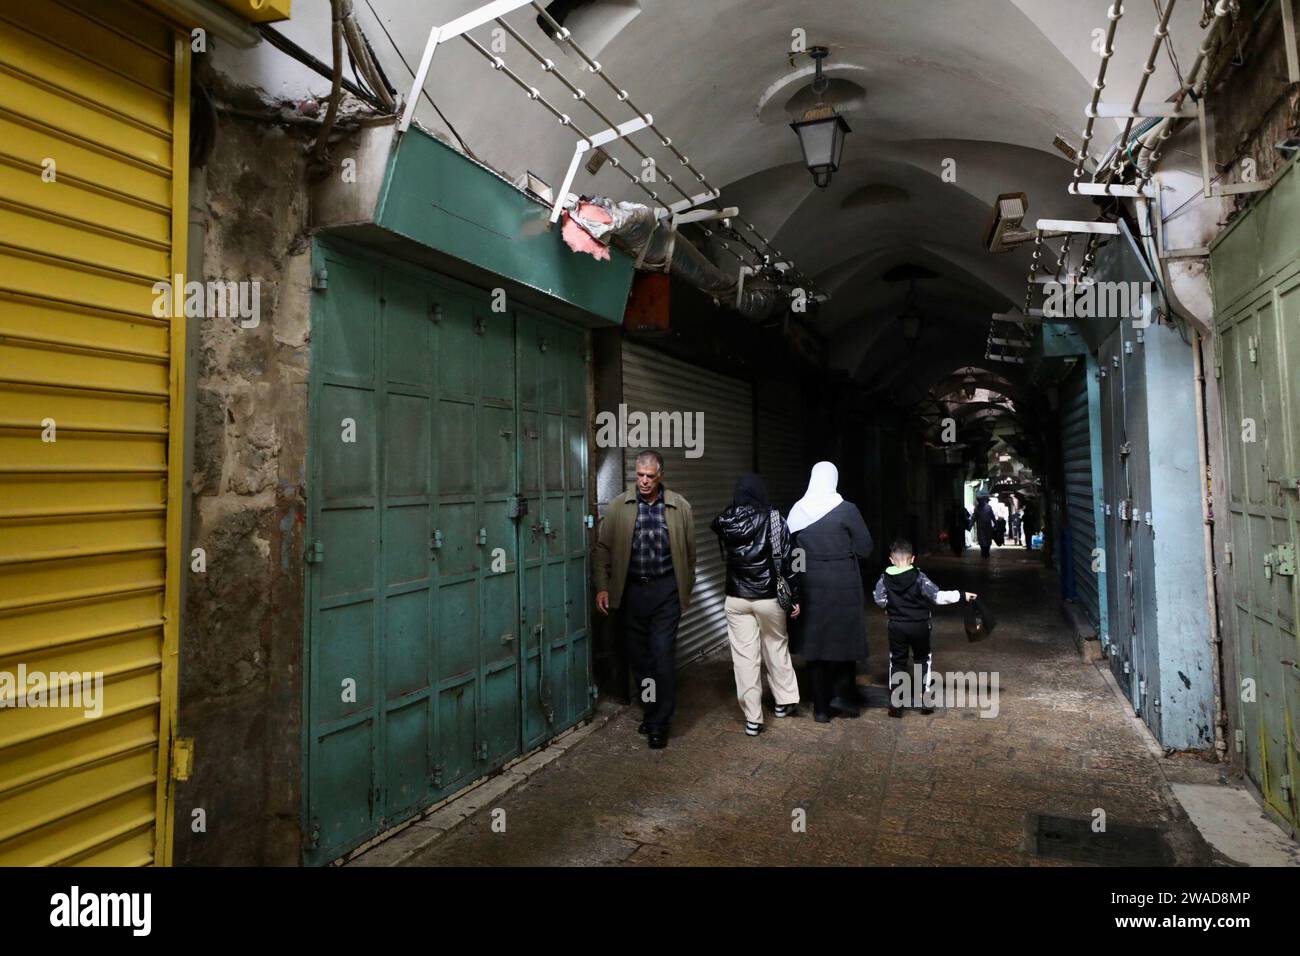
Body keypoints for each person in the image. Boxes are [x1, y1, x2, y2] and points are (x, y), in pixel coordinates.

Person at [594, 450, 696, 750]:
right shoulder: (619, 506)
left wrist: (683, 592)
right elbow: (602, 549)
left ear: (660, 475)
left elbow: (690, 555)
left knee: (662, 657)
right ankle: (651, 711)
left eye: (650, 476)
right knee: (640, 660)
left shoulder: (679, 507)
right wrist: (603, 587)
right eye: (639, 475)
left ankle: (660, 723)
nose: (644, 481)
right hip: (632, 593)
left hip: (665, 593)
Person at [711, 474, 802, 736]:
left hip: (736, 598)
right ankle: (784, 702)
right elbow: (790, 561)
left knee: (744, 659)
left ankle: (753, 718)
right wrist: (794, 596)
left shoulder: (727, 520)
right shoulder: (774, 519)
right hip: (769, 597)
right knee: (776, 646)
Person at [787, 461, 874, 723]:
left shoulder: (798, 510)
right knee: (843, 638)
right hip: (843, 584)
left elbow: (791, 552)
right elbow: (866, 548)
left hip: (810, 583)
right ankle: (843, 697)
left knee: (816, 644)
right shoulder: (847, 510)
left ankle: (821, 708)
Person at [872, 538, 976, 718]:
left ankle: (896, 702)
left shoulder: (885, 578)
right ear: (913, 559)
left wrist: (890, 608)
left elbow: (879, 599)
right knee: (922, 659)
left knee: (897, 661)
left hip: (897, 626)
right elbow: (937, 596)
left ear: (891, 559)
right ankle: (924, 697)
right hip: (920, 625)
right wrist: (962, 595)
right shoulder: (919, 577)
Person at [969, 493, 995, 558]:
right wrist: (970, 526)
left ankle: (986, 552)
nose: (979, 501)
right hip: (981, 527)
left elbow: (992, 516)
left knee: (987, 540)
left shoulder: (987, 507)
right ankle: (984, 552)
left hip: (987, 527)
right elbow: (974, 518)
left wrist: (996, 524)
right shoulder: (978, 508)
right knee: (982, 540)